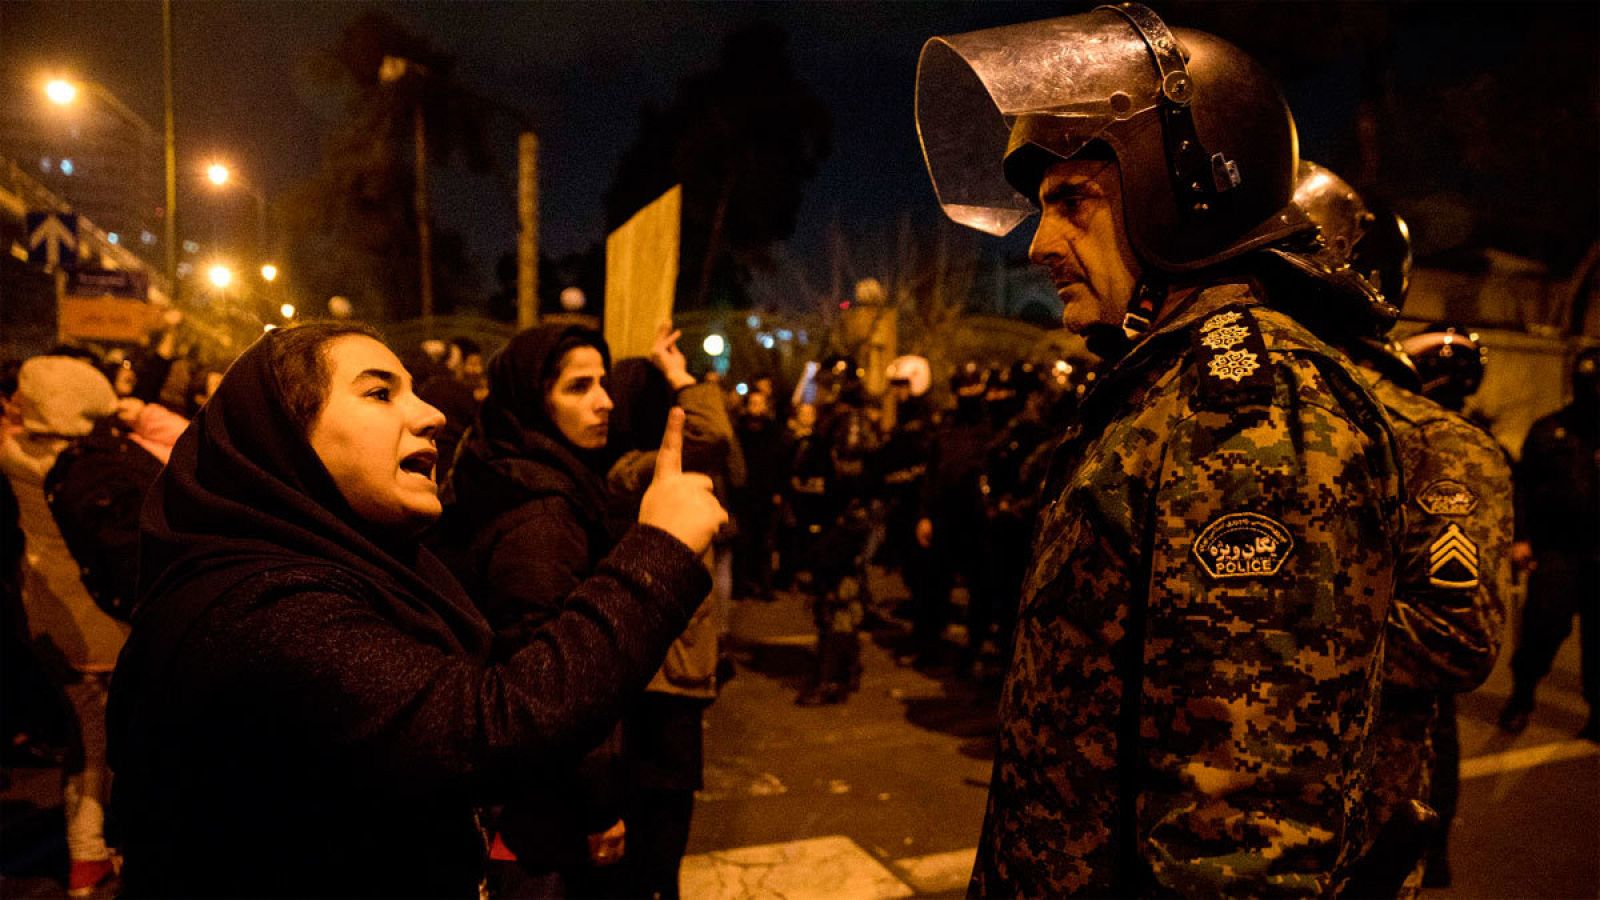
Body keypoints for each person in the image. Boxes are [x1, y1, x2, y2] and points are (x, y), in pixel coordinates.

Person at [916, 5, 1403, 894]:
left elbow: (1244, 842)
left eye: (1072, 203)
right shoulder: (1163, 387)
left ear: (1182, 196)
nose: (1040, 243)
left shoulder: (1253, 418)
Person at [107, 322, 726, 899]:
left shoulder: (343, 566)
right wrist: (659, 551)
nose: (431, 415)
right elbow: (490, 728)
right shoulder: (261, 609)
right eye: (380, 393)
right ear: (284, 435)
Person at [1271, 163, 1512, 893]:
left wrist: (1266, 633)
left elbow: (1456, 636)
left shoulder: (1430, 440)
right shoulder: (1250, 410)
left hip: (1346, 822)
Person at [433, 323, 626, 897]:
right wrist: (598, 804)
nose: (604, 400)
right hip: (539, 810)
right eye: (578, 386)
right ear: (532, 400)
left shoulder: (527, 473)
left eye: (604, 382)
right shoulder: (541, 515)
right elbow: (552, 676)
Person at [605, 323, 736, 899]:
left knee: (662, 832)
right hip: (664, 673)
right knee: (658, 828)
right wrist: (680, 376)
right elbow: (713, 432)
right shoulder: (633, 469)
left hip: (674, 668)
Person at [1496, 347, 1600, 741]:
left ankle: (1597, 712)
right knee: (1542, 630)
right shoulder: (1548, 430)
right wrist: (1520, 538)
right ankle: (1521, 698)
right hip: (1558, 550)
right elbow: (1521, 487)